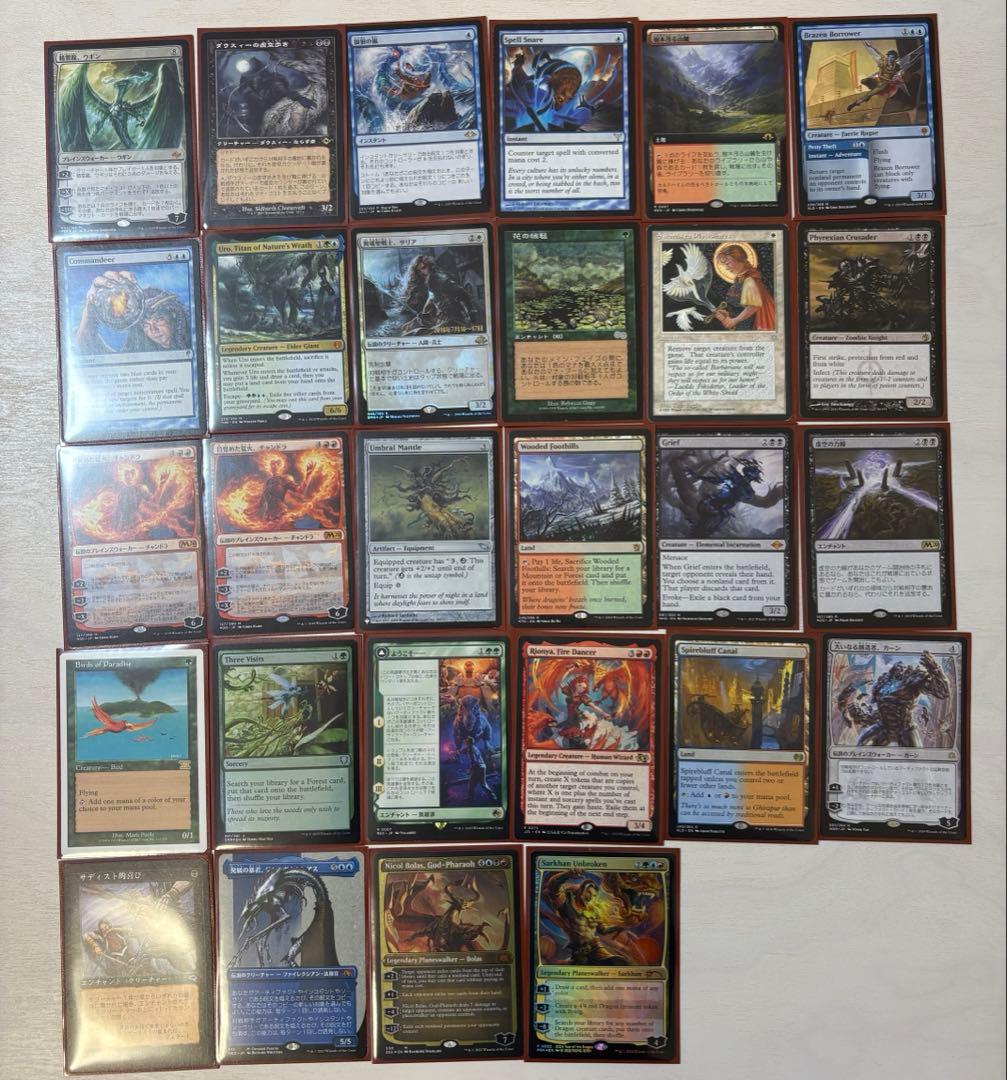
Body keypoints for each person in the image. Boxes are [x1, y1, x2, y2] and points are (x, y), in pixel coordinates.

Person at [75, 269, 190, 353]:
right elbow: (86, 347)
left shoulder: (194, 338)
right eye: (145, 325)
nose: (153, 330)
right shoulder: (140, 350)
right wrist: (90, 309)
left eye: (159, 319)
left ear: (173, 315)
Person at [713, 246, 775, 331]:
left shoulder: (749, 280)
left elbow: (754, 306)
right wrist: (728, 314)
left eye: (728, 263)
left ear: (740, 259)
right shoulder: (740, 280)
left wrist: (734, 320)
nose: (727, 268)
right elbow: (739, 306)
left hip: (751, 325)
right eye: (725, 265)